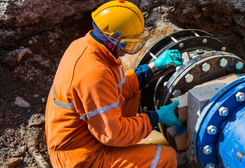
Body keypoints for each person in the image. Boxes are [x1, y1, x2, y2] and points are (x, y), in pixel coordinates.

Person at [45, 1, 183, 167]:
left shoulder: (89, 48)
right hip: (81, 157)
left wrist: (153, 67)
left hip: (86, 135)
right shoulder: (94, 74)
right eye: (129, 44)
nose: (126, 52)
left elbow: (117, 87)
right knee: (166, 157)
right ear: (112, 40)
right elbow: (113, 134)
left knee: (133, 93)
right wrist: (155, 117)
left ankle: (130, 143)